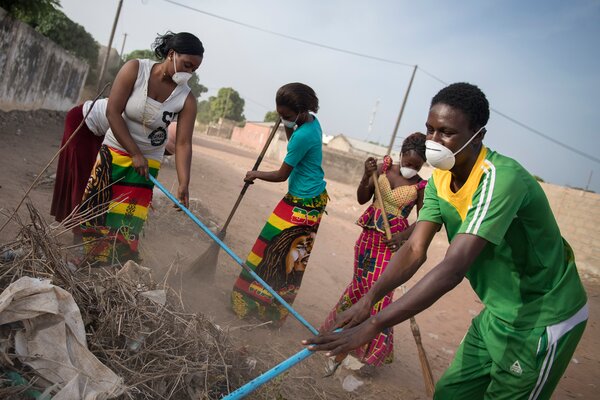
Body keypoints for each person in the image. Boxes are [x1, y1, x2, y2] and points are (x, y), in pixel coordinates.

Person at [305, 83, 588, 400]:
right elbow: (414, 249)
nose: (433, 141)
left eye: (446, 132)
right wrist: (369, 299)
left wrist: (374, 324)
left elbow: (453, 268)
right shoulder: (440, 177)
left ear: (477, 135)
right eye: (429, 130)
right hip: (497, 312)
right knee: (449, 394)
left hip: (542, 317)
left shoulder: (499, 179)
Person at [79, 31, 204, 264]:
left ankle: (114, 263)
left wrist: (184, 182)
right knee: (98, 205)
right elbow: (113, 112)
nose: (189, 73)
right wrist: (135, 153)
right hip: (115, 151)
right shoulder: (136, 70)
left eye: (194, 70)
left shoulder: (187, 99)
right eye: (187, 65)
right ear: (171, 54)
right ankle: (88, 257)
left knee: (128, 217)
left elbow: (184, 143)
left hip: (148, 163)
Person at [321, 133, 427, 373]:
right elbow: (362, 199)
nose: (411, 168)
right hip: (368, 239)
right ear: (402, 155)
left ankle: (371, 355)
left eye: (417, 166)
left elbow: (424, 221)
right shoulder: (381, 169)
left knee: (380, 294)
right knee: (359, 286)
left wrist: (402, 236)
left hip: (392, 245)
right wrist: (365, 174)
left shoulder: (421, 186)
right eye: (409, 163)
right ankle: (338, 335)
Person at [231, 82, 328, 324]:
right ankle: (272, 311)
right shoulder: (312, 123)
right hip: (312, 201)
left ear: (301, 110)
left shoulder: (303, 136)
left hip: (302, 204)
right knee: (291, 258)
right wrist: (288, 124)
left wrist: (255, 174)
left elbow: (282, 174)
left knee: (272, 250)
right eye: (279, 114)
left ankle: (256, 306)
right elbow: (293, 138)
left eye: (286, 116)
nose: (282, 118)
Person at [50, 98, 109, 244]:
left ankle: (92, 231)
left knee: (100, 179)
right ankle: (80, 235)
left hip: (99, 130)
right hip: (82, 122)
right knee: (85, 180)